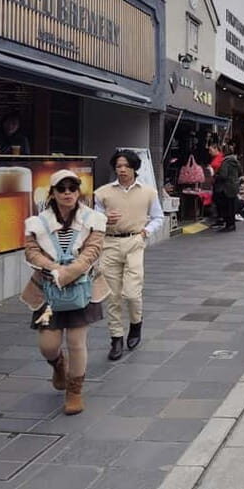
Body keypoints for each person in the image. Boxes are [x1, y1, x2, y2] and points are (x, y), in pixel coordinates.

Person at [21, 170, 109, 415]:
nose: (68, 193)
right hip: (47, 291)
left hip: (82, 289)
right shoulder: (38, 222)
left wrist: (71, 272)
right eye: (62, 188)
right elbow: (31, 251)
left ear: (79, 191)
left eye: (73, 188)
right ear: (53, 193)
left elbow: (93, 250)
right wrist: (54, 268)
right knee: (48, 345)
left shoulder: (93, 219)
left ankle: (74, 391)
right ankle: (58, 365)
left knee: (76, 342)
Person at [94, 150, 164, 361]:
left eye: (126, 166)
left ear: (134, 168)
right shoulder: (102, 193)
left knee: (132, 293)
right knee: (112, 295)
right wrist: (104, 218)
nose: (122, 170)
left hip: (135, 241)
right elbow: (93, 218)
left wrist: (146, 232)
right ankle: (116, 338)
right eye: (118, 166)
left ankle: (136, 324)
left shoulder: (148, 192)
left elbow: (158, 217)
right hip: (110, 243)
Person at [214, 144, 240, 232]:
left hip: (226, 187)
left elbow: (223, 175)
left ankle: (229, 225)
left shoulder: (225, 162)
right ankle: (232, 224)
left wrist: (216, 175)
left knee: (226, 206)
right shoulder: (236, 161)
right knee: (231, 206)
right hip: (234, 186)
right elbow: (240, 172)